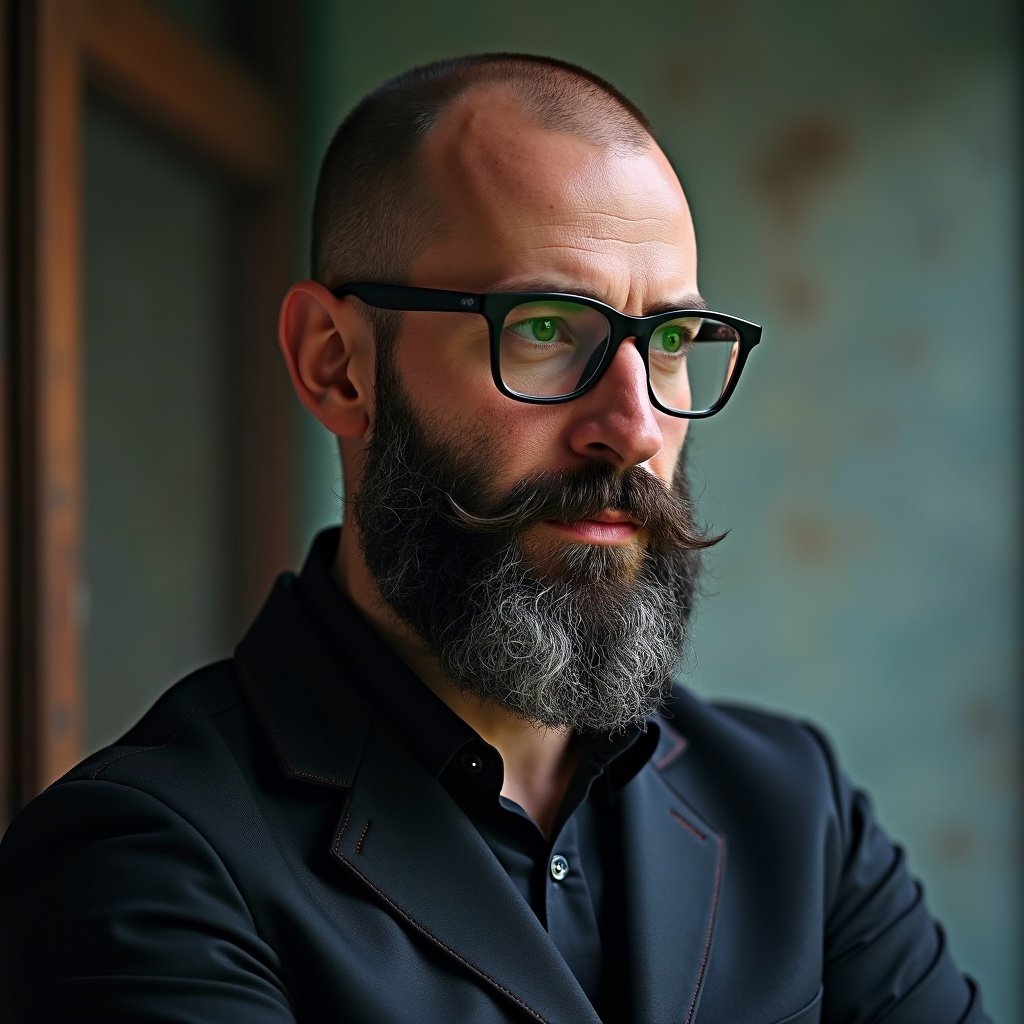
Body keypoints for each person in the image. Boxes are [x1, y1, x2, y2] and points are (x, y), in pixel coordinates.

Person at [0, 53, 988, 1024]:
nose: (635, 426)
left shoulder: (795, 811)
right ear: (336, 365)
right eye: (546, 329)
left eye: (671, 344)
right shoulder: (143, 858)